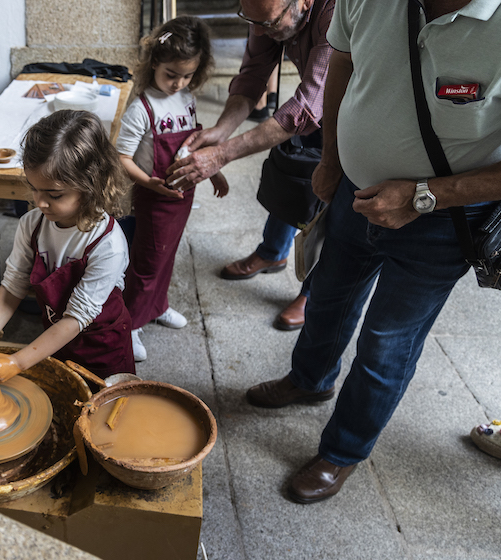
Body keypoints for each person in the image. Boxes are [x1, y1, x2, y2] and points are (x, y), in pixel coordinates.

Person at [246, 0, 501, 503]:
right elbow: (341, 62)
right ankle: (310, 379)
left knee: (387, 345)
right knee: (326, 299)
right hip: (353, 192)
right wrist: (332, 158)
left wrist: (422, 196)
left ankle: (342, 452)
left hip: (444, 221)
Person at [168, 0, 335, 331]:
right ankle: (273, 252)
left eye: (269, 24)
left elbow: (304, 107)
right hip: (317, 110)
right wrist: (222, 129)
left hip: (359, 115)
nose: (259, 31)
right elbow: (253, 75)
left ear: (304, 3)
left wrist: (223, 154)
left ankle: (314, 292)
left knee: (335, 207)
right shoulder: (264, 11)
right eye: (251, 21)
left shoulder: (336, 13)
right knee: (293, 174)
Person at [0, 109, 134, 386]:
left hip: (102, 347)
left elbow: (76, 318)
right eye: (34, 189)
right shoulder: (32, 224)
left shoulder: (108, 244)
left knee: (100, 412)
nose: (40, 202)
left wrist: (17, 362)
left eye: (54, 195)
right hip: (54, 340)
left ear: (91, 185)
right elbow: (12, 287)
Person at [116, 16, 229, 363]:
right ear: (154, 65)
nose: (178, 83)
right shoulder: (142, 108)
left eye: (187, 75)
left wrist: (214, 172)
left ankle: (157, 305)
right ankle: (130, 323)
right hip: (155, 198)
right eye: (171, 74)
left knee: (167, 256)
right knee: (148, 262)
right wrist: (147, 182)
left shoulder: (186, 99)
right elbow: (121, 157)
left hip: (183, 195)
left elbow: (193, 144)